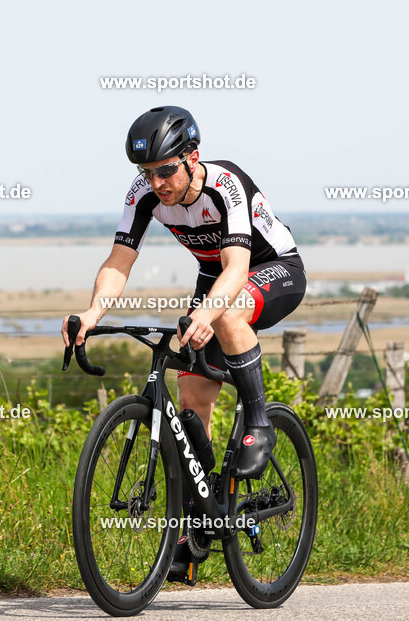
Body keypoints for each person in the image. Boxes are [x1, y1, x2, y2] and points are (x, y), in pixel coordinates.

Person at [61, 106, 306, 584]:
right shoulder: (144, 195)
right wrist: (92, 314)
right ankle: (200, 520)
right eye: (147, 173)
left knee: (229, 313)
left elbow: (236, 268)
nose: (157, 182)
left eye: (166, 170)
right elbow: (119, 261)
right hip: (215, 277)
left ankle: (259, 420)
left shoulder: (225, 184)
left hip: (271, 268)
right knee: (191, 398)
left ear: (193, 157)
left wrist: (207, 314)